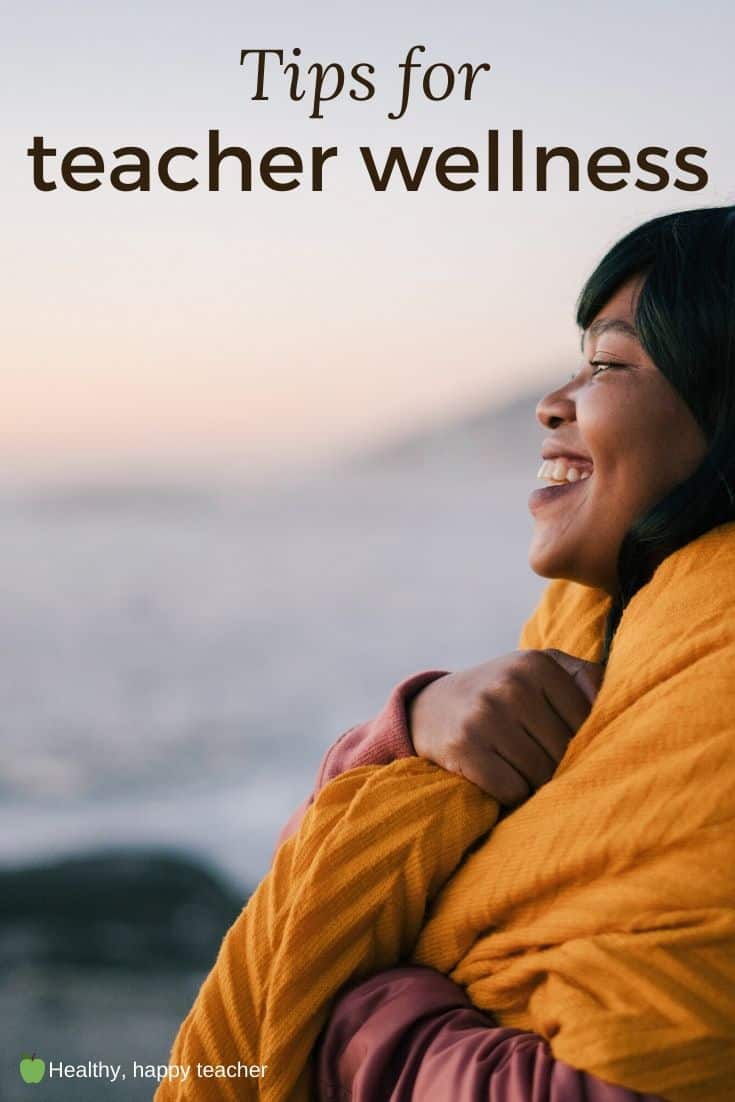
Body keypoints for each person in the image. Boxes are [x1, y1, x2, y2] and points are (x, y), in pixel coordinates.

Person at [156, 207, 735, 1102]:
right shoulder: (598, 632)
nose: (553, 401)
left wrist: (354, 1015)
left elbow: (621, 1081)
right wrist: (411, 727)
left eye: (610, 363)